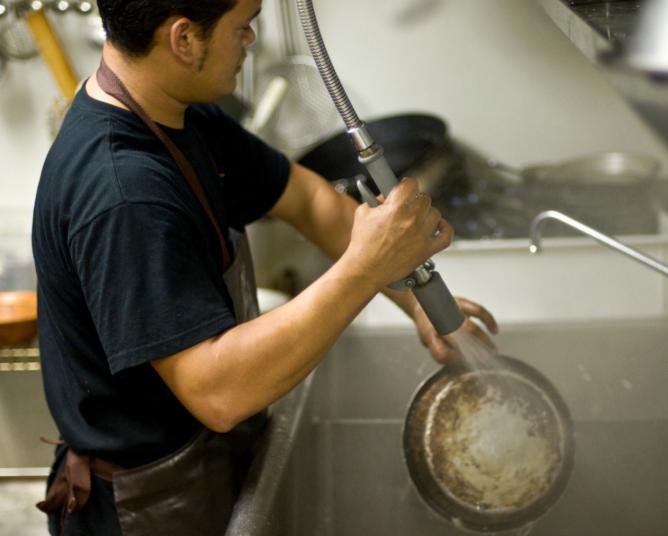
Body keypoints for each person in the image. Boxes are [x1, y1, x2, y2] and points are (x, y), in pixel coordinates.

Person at [31, 0, 498, 534]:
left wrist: (416, 301)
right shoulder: (124, 195)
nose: (251, 38)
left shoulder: (179, 113)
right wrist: (366, 270)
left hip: (202, 462)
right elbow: (218, 392)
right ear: (183, 39)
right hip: (144, 504)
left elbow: (306, 201)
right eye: (242, 25)